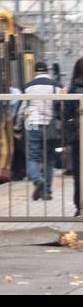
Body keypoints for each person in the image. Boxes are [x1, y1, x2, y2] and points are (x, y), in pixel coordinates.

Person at [23, 61, 61, 200]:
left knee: (33, 156)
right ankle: (47, 192)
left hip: (32, 125)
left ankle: (37, 179)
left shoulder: (28, 87)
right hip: (50, 127)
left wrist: (16, 127)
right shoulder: (56, 86)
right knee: (49, 159)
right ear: (47, 71)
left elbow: (23, 107)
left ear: (35, 72)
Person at [67, 58, 83, 216]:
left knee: (79, 173)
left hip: (78, 138)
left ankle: (80, 205)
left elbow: (65, 113)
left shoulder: (72, 90)